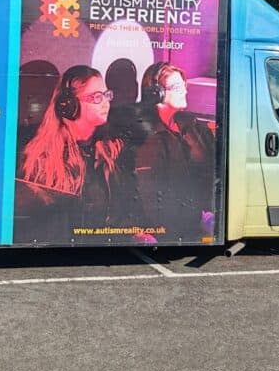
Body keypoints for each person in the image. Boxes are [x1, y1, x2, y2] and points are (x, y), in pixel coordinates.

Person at [15, 65, 139, 242]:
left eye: (106, 95)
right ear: (69, 106)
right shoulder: (42, 160)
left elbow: (126, 208)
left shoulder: (112, 150)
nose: (106, 102)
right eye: (96, 97)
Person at [134, 62, 216, 241]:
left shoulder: (191, 125)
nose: (185, 91)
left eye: (183, 85)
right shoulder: (147, 136)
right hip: (172, 227)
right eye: (177, 87)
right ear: (157, 94)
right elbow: (151, 196)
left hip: (198, 218)